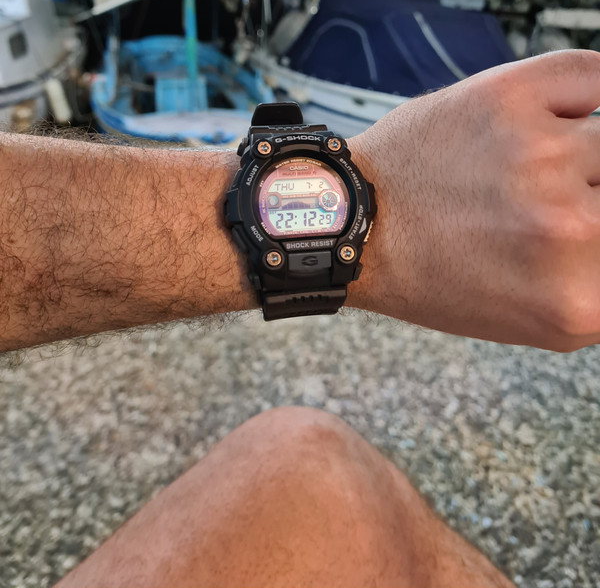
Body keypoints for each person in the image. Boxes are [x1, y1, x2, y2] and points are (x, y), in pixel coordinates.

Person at [3, 49, 600, 587]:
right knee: (310, 460)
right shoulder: (281, 209)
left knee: (307, 455)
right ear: (240, 212)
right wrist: (397, 211)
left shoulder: (323, 199)